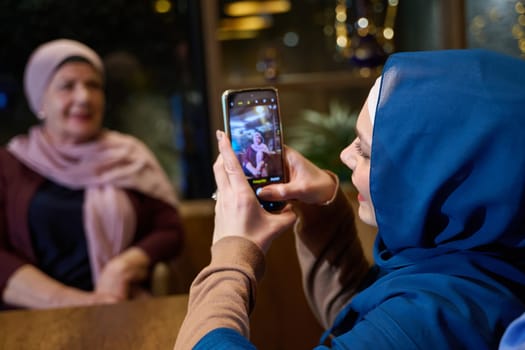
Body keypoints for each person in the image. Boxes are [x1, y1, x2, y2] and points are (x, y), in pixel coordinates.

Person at [174, 49, 525, 349]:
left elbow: (396, 331)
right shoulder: (478, 259)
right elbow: (364, 320)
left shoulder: (432, 319)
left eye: (367, 152)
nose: (344, 155)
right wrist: (322, 208)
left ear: (438, 178)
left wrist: (232, 255)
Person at [0, 39, 185, 310]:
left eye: (93, 85)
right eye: (67, 86)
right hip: (33, 317)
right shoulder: (9, 164)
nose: (84, 97)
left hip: (120, 307)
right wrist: (72, 301)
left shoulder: (130, 156)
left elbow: (170, 230)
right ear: (40, 99)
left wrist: (122, 268)